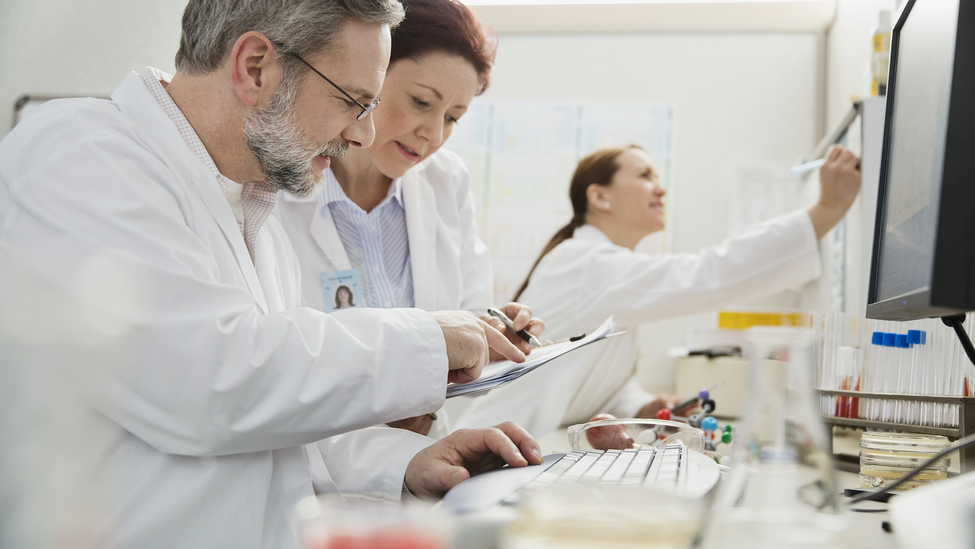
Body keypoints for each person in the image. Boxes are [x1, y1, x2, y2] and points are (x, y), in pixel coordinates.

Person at [0, 1, 543, 547]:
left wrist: (405, 462)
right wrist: (429, 337)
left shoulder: (252, 204)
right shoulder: (81, 155)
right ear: (255, 68)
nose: (363, 134)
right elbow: (209, 382)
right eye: (354, 102)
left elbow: (280, 423)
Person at [455, 144, 861, 436]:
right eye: (645, 175)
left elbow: (588, 372)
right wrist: (824, 212)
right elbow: (709, 274)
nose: (660, 188)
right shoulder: (586, 263)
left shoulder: (602, 269)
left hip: (515, 445)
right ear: (599, 197)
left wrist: (641, 406)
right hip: (482, 447)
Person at [276, 0, 544, 438]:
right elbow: (279, 364)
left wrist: (495, 335)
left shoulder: (445, 182)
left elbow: (466, 321)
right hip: (317, 462)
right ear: (369, 75)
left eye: (453, 118)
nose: (434, 135)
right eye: (421, 102)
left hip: (424, 455)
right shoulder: (283, 185)